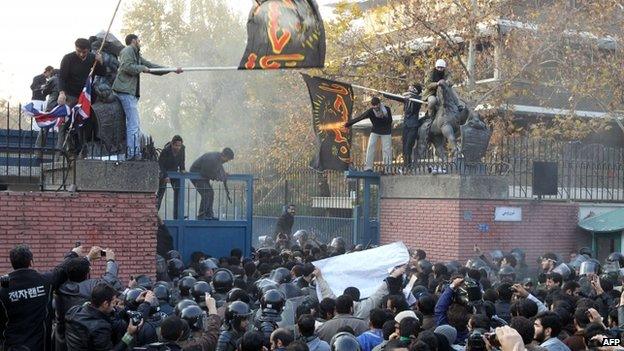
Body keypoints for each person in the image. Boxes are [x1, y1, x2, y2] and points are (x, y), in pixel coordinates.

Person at [112, 33, 182, 160]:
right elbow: (126, 66)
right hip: (125, 92)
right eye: (138, 40)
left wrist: (171, 69)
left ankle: (134, 152)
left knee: (134, 123)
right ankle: (132, 154)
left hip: (129, 93)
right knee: (133, 124)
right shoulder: (128, 50)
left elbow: (151, 66)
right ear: (134, 41)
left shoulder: (136, 54)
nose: (140, 42)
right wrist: (141, 68)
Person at [0, 244, 82, 351]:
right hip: (39, 345)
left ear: (12, 263)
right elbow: (61, 269)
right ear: (31, 262)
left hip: (12, 345)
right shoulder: (44, 281)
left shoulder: (3, 288)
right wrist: (74, 253)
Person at [54, 247, 120, 351]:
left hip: (62, 341)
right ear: (88, 272)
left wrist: (88, 257)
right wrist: (110, 261)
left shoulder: (59, 287)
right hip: (85, 341)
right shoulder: (91, 287)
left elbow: (63, 269)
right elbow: (109, 281)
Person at [64, 283, 145, 350]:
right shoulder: (100, 327)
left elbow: (110, 318)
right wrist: (129, 334)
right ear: (105, 304)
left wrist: (135, 302)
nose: (114, 306)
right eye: (113, 302)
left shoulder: (74, 311)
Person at [344, 97, 393, 173]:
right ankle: (368, 168)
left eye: (377, 106)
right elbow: (360, 117)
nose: (375, 108)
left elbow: (390, 121)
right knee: (370, 147)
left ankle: (388, 169)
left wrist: (383, 117)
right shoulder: (371, 111)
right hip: (375, 130)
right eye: (374, 106)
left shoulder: (387, 109)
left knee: (386, 149)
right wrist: (348, 124)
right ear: (372, 106)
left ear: (379, 104)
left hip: (386, 131)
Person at [189, 148, 235, 220]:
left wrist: (223, 174)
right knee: (207, 192)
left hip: (202, 177)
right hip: (196, 175)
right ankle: (202, 215)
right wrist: (216, 177)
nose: (227, 161)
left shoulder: (218, 159)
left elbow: (219, 170)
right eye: (227, 159)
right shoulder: (212, 159)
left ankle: (209, 214)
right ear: (223, 155)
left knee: (211, 193)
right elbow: (205, 172)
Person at [384, 84, 423, 167]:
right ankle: (406, 165)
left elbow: (418, 100)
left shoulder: (417, 99)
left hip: (413, 126)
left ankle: (409, 165)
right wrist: (385, 94)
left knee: (409, 145)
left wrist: (411, 98)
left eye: (412, 87)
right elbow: (395, 97)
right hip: (406, 126)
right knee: (404, 146)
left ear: (415, 90)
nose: (409, 87)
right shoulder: (406, 98)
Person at [157, 135, 186, 219]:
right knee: (161, 193)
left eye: (179, 145)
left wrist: (182, 168)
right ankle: (155, 213)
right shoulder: (166, 150)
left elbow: (182, 159)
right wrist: (165, 176)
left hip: (175, 172)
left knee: (178, 193)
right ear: (172, 144)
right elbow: (160, 164)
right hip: (165, 172)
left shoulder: (183, 149)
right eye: (176, 145)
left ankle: (178, 216)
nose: (178, 147)